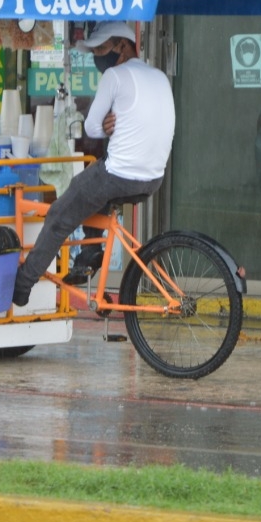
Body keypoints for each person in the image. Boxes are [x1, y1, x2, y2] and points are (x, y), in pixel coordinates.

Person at [12, 21, 176, 308]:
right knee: (93, 190)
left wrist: (107, 126)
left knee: (59, 215)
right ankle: (87, 257)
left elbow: (90, 128)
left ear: (123, 46)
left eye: (101, 49)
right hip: (153, 178)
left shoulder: (115, 75)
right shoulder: (159, 75)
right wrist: (114, 124)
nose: (97, 57)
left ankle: (22, 285)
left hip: (120, 174)